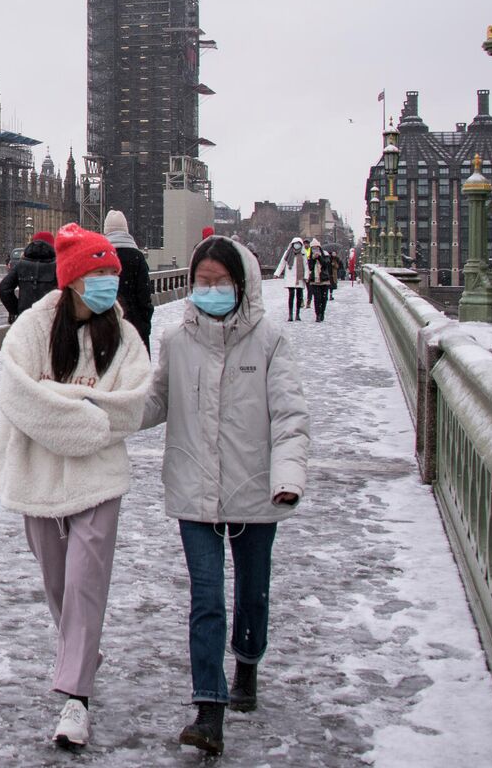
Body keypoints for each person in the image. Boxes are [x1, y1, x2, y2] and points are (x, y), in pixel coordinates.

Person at [141, 234, 310, 755]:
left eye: (219, 283)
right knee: (207, 598)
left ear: (242, 285)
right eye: (201, 283)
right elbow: (153, 403)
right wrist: (98, 416)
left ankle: (248, 661)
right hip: (194, 486)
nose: (209, 291)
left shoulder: (270, 341)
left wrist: (288, 477)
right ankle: (209, 709)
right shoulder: (175, 340)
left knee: (252, 592)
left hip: (255, 486)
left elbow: (289, 417)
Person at [0, 223, 153, 750]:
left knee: (86, 579)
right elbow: (20, 399)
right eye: (102, 272)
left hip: (98, 477)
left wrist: (55, 398)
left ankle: (75, 698)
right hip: (36, 472)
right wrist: (86, 412)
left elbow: (130, 406)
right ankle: (82, 650)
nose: (112, 280)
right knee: (58, 583)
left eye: (114, 271)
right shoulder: (31, 331)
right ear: (75, 278)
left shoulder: (124, 337)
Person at [102, 211, 155, 354]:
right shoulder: (137, 256)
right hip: (135, 325)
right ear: (126, 230)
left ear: (106, 231)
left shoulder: (101, 255)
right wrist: (144, 325)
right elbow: (145, 296)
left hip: (106, 326)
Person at [0, 230, 58, 323]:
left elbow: (4, 289)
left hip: (26, 320)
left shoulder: (21, 265)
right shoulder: (58, 266)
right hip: (50, 320)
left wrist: (17, 308)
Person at [272, 238, 307, 322]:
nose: (296, 245)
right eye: (295, 243)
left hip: (300, 277)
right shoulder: (288, 253)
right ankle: (290, 314)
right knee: (291, 295)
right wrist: (277, 273)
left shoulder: (303, 253)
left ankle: (297, 314)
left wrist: (306, 276)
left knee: (299, 296)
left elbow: (306, 265)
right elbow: (282, 263)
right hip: (290, 277)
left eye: (298, 243)